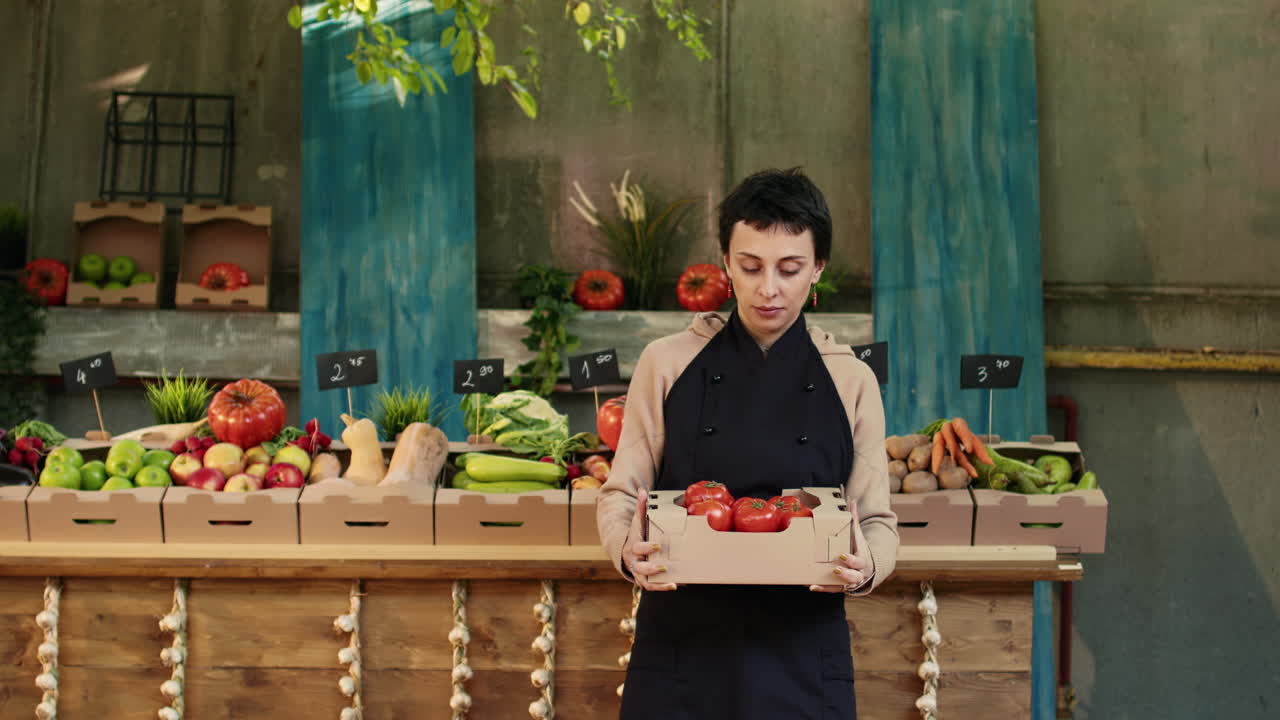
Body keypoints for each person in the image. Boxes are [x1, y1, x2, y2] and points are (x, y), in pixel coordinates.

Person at [596, 167, 898, 719]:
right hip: (683, 649)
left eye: (790, 269)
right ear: (725, 264)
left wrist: (868, 564)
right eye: (750, 266)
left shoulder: (850, 379)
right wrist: (624, 547)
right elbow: (621, 492)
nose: (769, 289)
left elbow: (876, 519)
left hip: (802, 652)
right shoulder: (667, 363)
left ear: (818, 270)